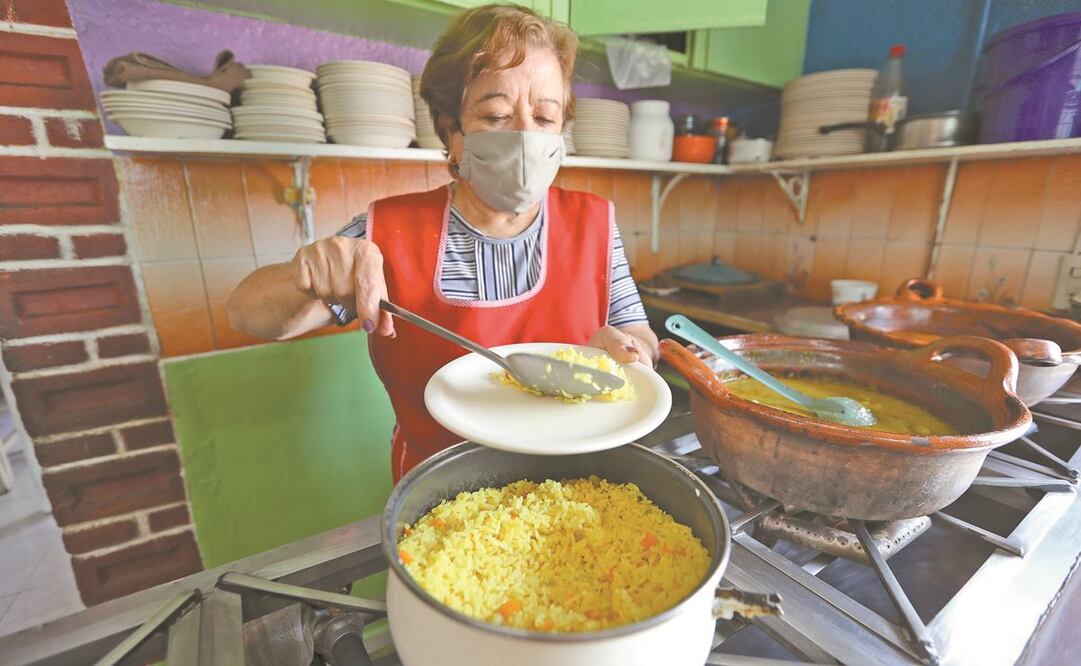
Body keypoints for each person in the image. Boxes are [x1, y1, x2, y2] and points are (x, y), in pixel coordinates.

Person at [228, 4, 658, 481]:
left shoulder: (595, 223)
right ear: (451, 130)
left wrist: (629, 353)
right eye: (496, 114)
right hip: (440, 489)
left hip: (574, 484)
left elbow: (640, 340)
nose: (524, 136)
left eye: (544, 116)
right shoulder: (387, 233)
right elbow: (245, 314)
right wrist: (305, 274)